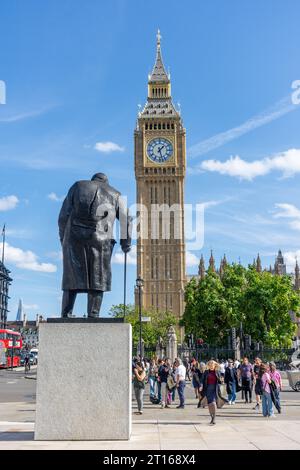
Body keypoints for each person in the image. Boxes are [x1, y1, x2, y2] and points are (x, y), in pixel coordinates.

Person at [58, 173, 132, 318]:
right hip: (101, 239)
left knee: (71, 277)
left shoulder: (77, 186)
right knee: (98, 277)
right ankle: (93, 314)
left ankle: (66, 313)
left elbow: (62, 217)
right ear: (106, 182)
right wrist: (126, 244)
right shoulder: (116, 194)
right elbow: (126, 220)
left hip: (74, 237)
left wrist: (63, 239)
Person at [199, 360, 225, 425]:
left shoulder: (217, 372)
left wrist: (221, 381)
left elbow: (220, 380)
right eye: (210, 364)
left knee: (213, 403)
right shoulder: (206, 372)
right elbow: (202, 380)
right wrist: (201, 386)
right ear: (208, 365)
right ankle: (211, 418)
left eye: (212, 364)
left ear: (215, 365)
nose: (211, 365)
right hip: (207, 390)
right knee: (210, 405)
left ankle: (214, 418)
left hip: (215, 389)